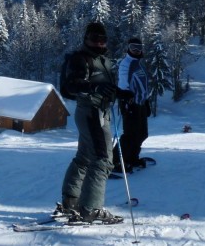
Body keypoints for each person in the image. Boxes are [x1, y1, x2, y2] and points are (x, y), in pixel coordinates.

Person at [58, 23, 131, 225]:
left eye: (103, 39)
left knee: (84, 157)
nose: (99, 42)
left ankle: (70, 201)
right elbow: (72, 85)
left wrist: (120, 93)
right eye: (94, 38)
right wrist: (96, 87)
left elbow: (104, 86)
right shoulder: (80, 59)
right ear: (86, 38)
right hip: (91, 113)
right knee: (103, 160)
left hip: (98, 113)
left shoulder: (103, 61)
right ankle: (91, 209)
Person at [113, 38, 153, 173]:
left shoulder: (139, 64)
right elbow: (123, 83)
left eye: (139, 47)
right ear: (128, 48)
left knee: (142, 134)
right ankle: (116, 160)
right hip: (130, 103)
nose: (136, 50)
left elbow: (143, 85)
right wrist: (125, 100)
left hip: (140, 103)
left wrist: (146, 101)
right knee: (130, 134)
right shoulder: (126, 64)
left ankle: (132, 157)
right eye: (133, 47)